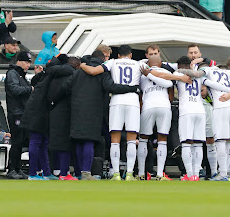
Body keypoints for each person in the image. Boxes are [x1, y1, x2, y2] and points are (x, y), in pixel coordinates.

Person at [80, 45, 190, 181]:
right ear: (131, 55)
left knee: (115, 139)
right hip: (132, 101)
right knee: (132, 139)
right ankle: (130, 174)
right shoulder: (139, 64)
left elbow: (93, 71)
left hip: (116, 100)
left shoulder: (112, 62)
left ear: (118, 55)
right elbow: (157, 74)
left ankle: (116, 174)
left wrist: (83, 65)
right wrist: (178, 78)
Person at [58, 50, 140, 180]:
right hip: (94, 111)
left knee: (78, 141)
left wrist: (60, 102)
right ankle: (86, 172)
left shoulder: (78, 72)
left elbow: (64, 88)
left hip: (77, 110)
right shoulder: (102, 73)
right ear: (102, 60)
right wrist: (132, 88)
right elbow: (111, 87)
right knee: (89, 141)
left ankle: (78, 172)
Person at [174, 57, 230, 181]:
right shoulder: (200, 77)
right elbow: (214, 85)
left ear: (180, 65)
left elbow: (167, 77)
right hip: (200, 111)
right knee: (198, 144)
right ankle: (196, 174)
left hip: (187, 111)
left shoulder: (177, 73)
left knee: (186, 144)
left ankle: (190, 175)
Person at [137, 55, 173, 181]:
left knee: (143, 139)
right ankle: (159, 174)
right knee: (162, 139)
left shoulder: (142, 75)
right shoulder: (167, 72)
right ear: (161, 63)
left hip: (148, 105)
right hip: (164, 106)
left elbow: (140, 93)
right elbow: (170, 91)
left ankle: (141, 173)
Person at [48, 56, 81, 180]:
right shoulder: (74, 77)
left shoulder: (53, 75)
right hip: (68, 111)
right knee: (67, 144)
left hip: (54, 111)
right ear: (77, 66)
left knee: (56, 143)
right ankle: (64, 173)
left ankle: (58, 171)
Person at [5, 51, 34, 180]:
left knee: (20, 142)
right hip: (15, 112)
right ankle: (11, 169)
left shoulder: (20, 75)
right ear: (19, 61)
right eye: (26, 62)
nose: (28, 65)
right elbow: (15, 90)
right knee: (16, 142)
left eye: (29, 62)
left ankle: (17, 168)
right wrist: (30, 89)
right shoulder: (12, 74)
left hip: (22, 112)